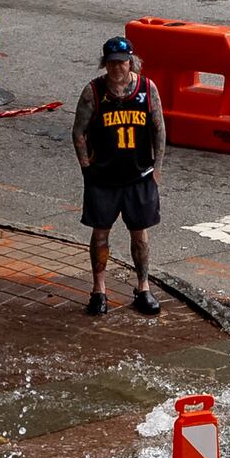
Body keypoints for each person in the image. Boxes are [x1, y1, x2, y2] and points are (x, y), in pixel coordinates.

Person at [74, 35, 166, 316]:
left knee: (140, 234)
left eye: (122, 62)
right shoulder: (93, 92)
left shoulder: (147, 89)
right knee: (100, 233)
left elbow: (159, 128)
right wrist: (86, 167)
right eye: (112, 63)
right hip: (103, 178)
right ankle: (99, 290)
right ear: (105, 64)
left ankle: (143, 287)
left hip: (139, 176)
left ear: (131, 62)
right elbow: (78, 131)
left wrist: (158, 168)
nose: (118, 68)